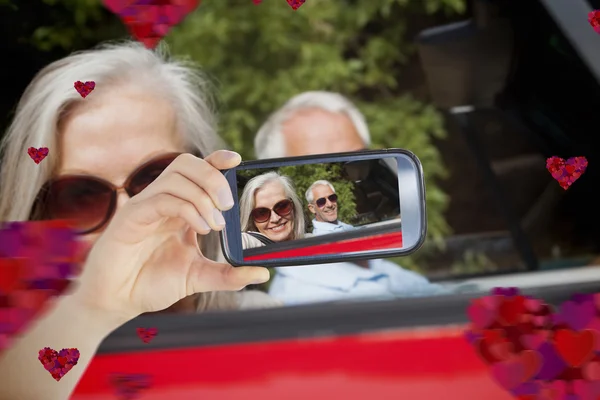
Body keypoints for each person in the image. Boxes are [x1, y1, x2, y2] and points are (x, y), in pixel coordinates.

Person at [0, 40, 278, 400]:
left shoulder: (265, 326)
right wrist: (94, 307)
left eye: (157, 179)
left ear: (207, 177)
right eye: (81, 196)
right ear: (38, 214)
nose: (131, 218)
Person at [258, 91, 447, 305]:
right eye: (321, 168)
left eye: (359, 163)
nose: (349, 181)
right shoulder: (305, 301)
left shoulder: (375, 264)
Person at [239, 171, 306, 249]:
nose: (275, 219)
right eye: (262, 213)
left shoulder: (313, 241)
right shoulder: (247, 242)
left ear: (294, 206)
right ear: (251, 220)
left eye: (282, 207)